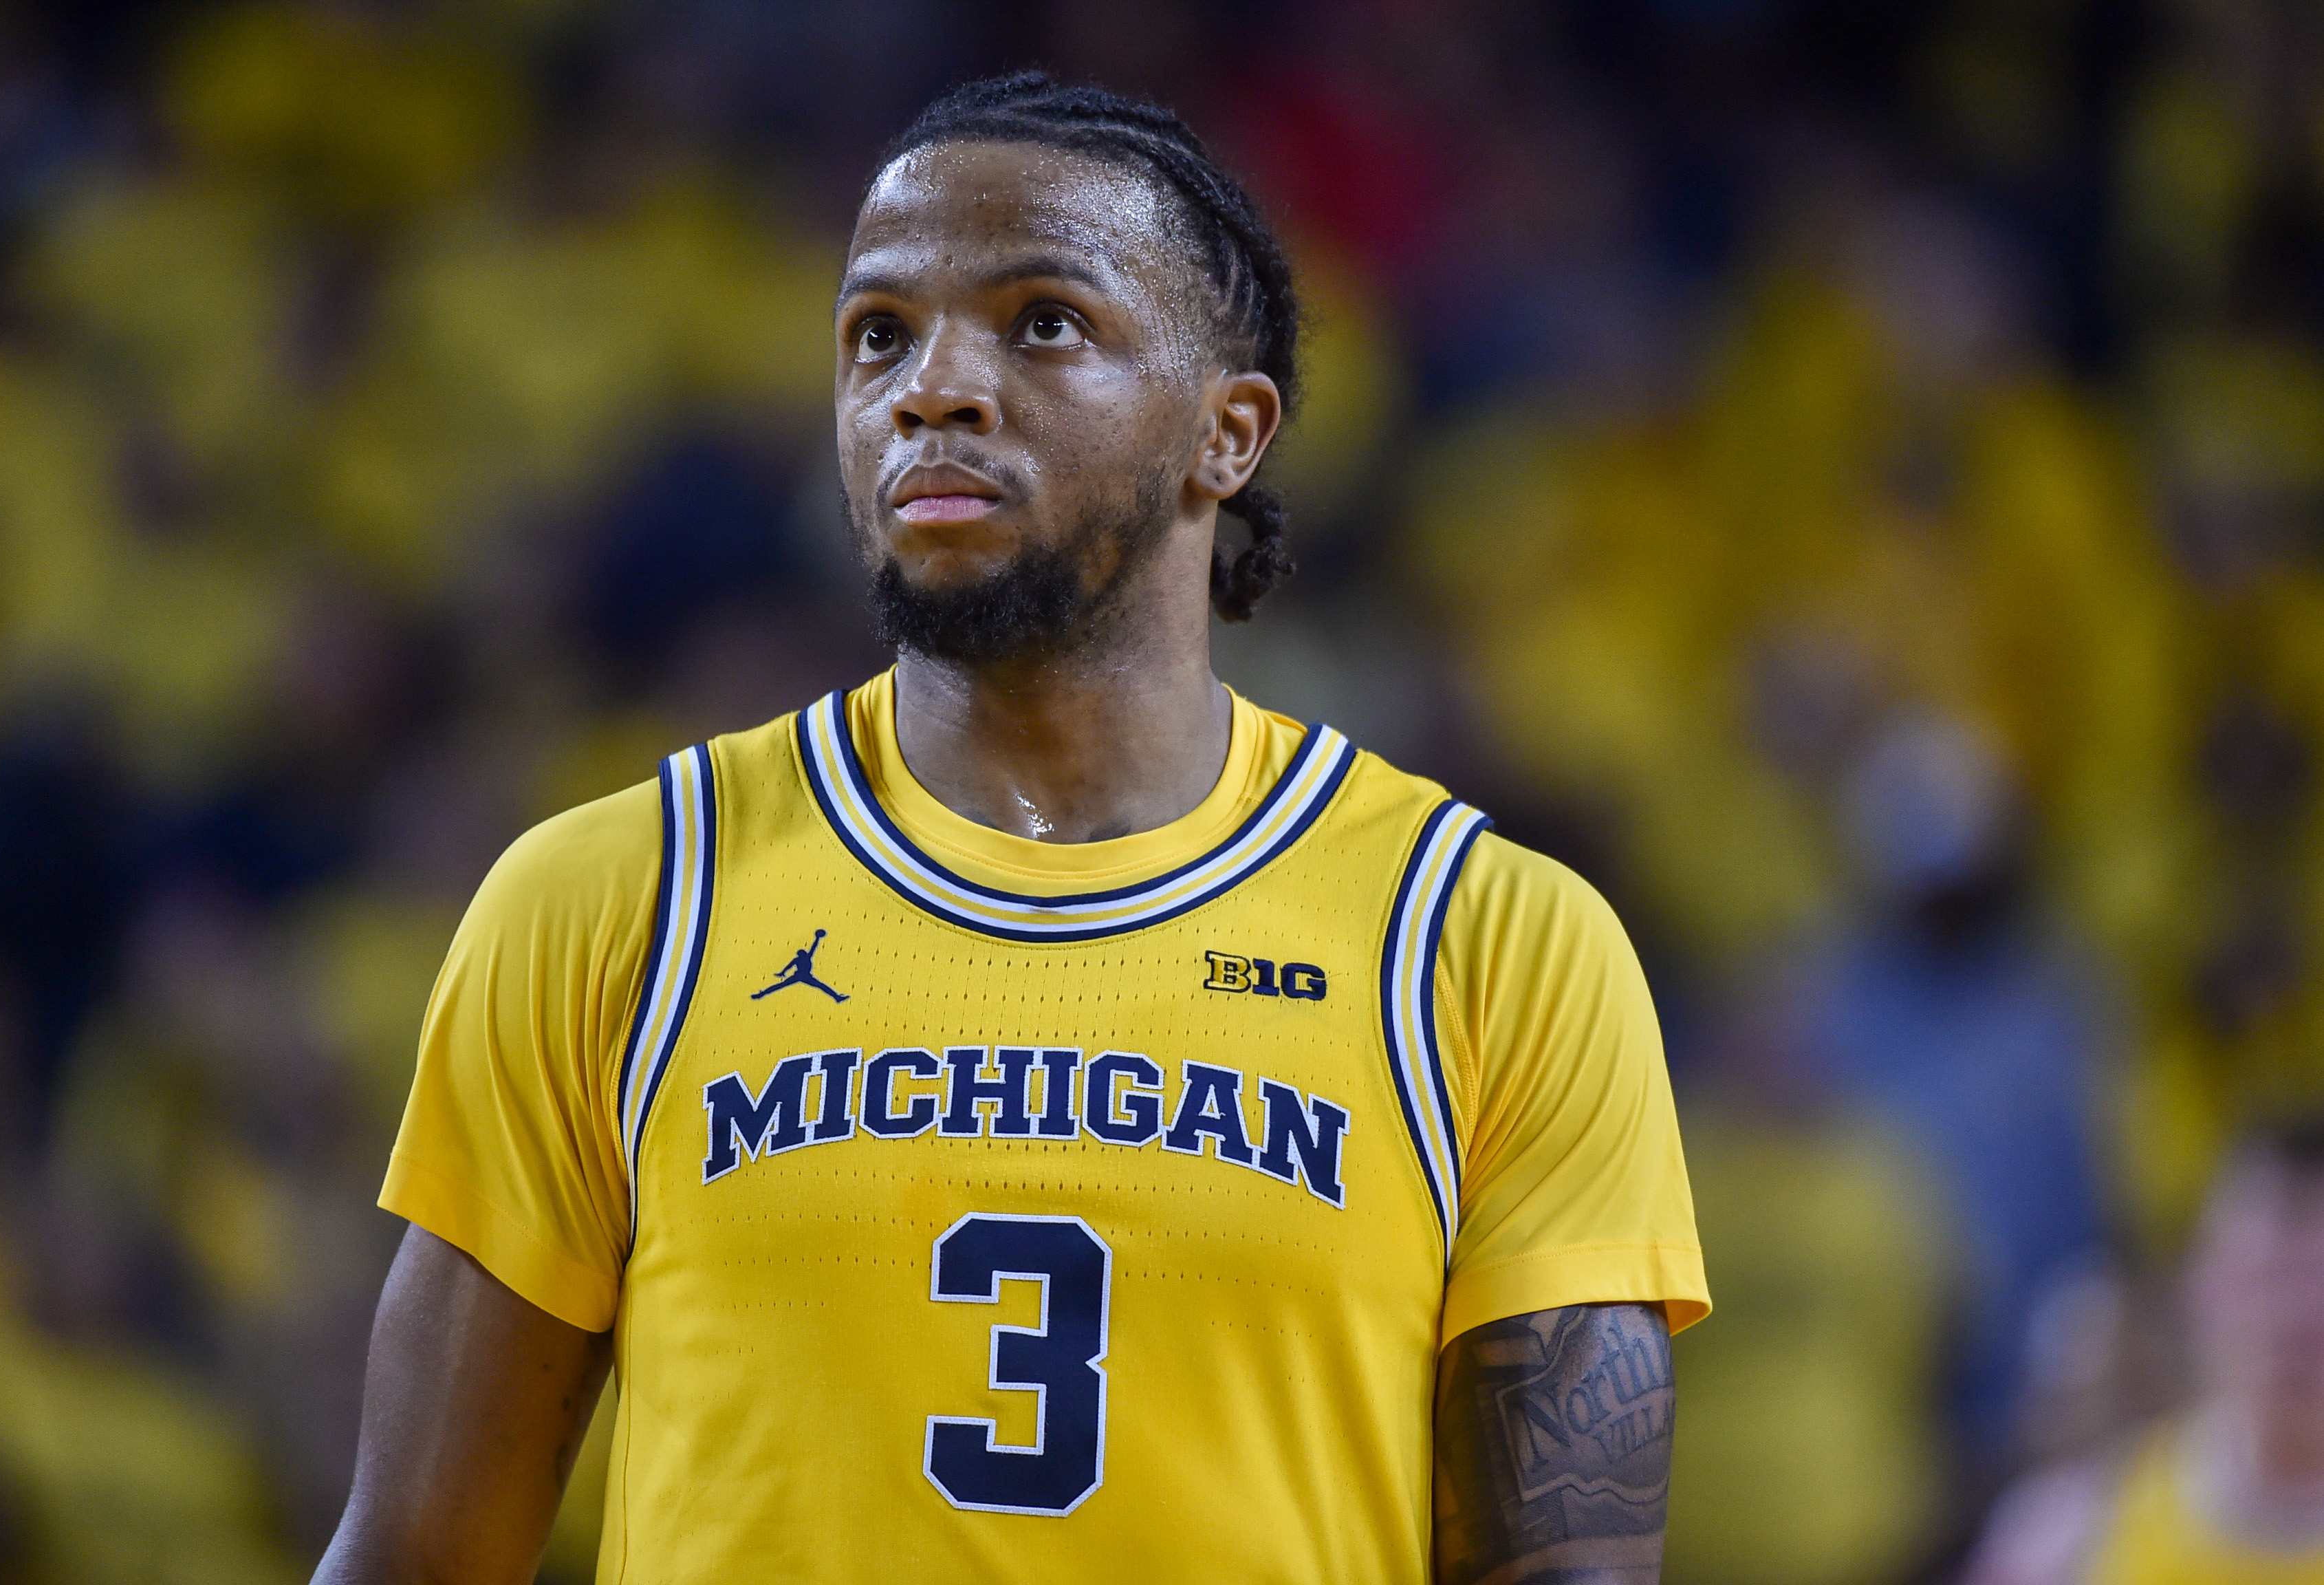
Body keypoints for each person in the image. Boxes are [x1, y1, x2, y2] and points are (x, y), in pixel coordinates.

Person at [312, 73, 1707, 1585]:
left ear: (1226, 434)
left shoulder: (1492, 942)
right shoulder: (615, 900)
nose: (930, 389)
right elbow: (413, 1556)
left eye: (1042, 322)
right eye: (877, 334)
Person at [1961, 1116, 2324, 1585]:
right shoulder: (2071, 1530)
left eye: (2318, 1284)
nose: (2295, 1318)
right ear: (2196, 1286)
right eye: (2267, 1278)